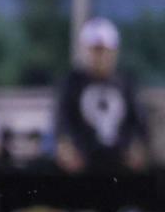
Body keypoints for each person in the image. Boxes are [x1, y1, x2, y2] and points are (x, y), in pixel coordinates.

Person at [53, 17, 149, 173]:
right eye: (95, 50)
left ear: (114, 52)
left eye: (104, 50)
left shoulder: (126, 82)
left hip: (120, 161)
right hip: (82, 160)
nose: (100, 57)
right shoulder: (72, 83)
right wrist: (66, 146)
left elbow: (138, 121)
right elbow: (62, 121)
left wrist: (137, 146)